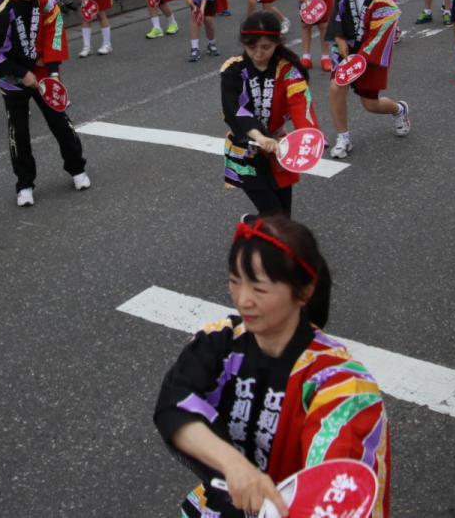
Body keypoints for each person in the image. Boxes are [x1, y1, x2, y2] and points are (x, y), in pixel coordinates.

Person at [153, 215, 389, 518]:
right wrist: (234, 465)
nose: (243, 300)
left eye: (259, 289)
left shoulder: (340, 383)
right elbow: (174, 403)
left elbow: (334, 484)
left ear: (304, 292)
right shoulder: (222, 340)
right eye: (234, 281)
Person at [0, 0, 89, 207]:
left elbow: (55, 29)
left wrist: (52, 71)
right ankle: (24, 184)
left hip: (43, 72)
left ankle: (77, 168)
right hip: (13, 79)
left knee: (60, 122)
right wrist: (22, 74)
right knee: (18, 132)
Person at [220, 13, 319, 215]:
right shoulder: (233, 69)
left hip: (278, 146)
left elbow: (300, 103)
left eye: (266, 47)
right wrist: (259, 136)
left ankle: (251, 223)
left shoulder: (288, 70)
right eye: (251, 47)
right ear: (243, 43)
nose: (258, 53)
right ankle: (258, 226)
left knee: (283, 216)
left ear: (277, 43)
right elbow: (234, 110)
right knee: (275, 216)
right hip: (246, 147)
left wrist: (307, 137)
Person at [326, 0, 410, 158]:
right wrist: (340, 40)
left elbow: (378, 39)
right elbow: (336, 18)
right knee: (336, 87)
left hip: (368, 57)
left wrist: (358, 59)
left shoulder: (384, 3)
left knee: (370, 104)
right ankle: (343, 137)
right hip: (346, 51)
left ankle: (399, 109)